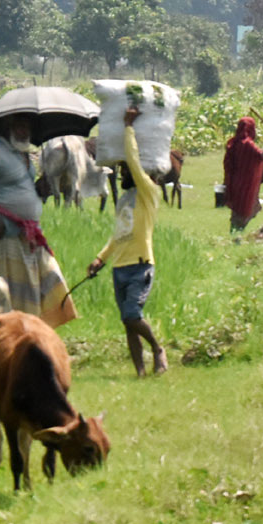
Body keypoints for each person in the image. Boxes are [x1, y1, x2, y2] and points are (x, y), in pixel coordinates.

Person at [0, 115, 77, 327]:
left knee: (49, 280)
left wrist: (39, 189)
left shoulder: (22, 154)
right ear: (8, 128)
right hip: (7, 233)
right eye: (19, 126)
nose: (24, 131)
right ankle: (16, 332)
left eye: (27, 127)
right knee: (16, 290)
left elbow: (18, 187)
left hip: (31, 234)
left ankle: (33, 329)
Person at [86, 107, 165, 376]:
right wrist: (100, 258)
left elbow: (132, 160)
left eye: (124, 172)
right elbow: (119, 235)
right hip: (119, 267)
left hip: (140, 266)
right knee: (127, 323)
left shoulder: (149, 193)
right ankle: (140, 372)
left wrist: (129, 126)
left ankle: (157, 348)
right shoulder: (125, 199)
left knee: (132, 314)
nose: (122, 175)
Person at [221, 115, 263, 234]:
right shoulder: (247, 144)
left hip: (235, 182)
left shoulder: (233, 142)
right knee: (247, 209)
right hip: (246, 183)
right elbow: (261, 156)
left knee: (237, 210)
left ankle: (234, 233)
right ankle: (238, 233)